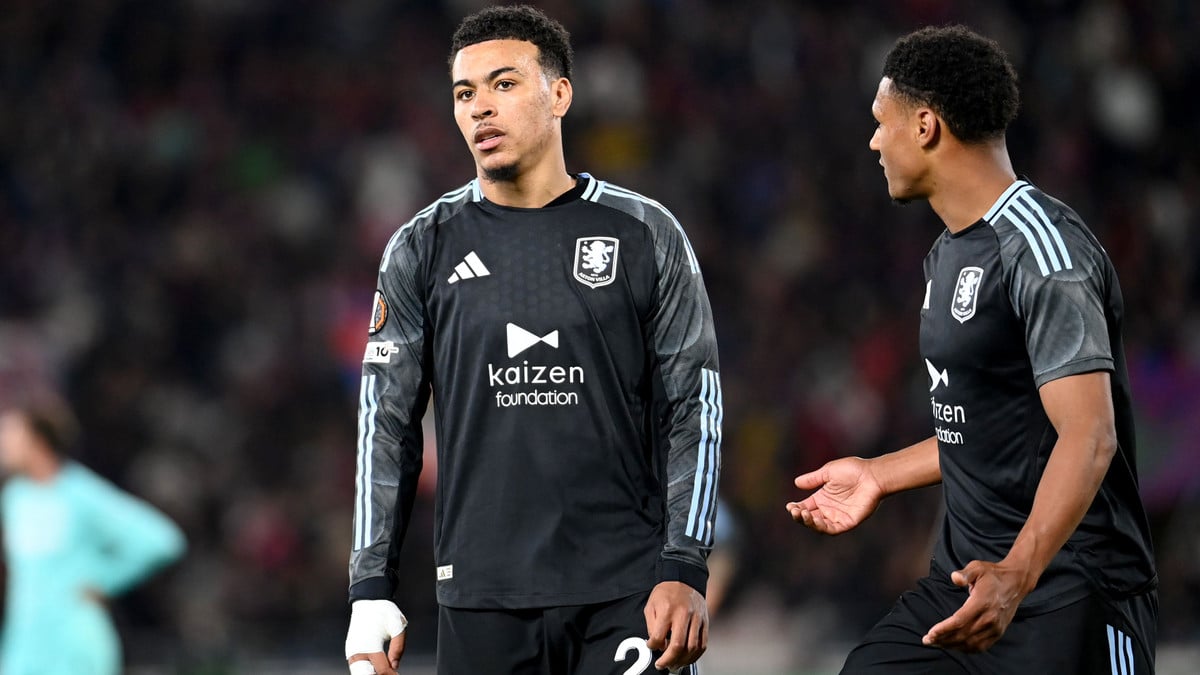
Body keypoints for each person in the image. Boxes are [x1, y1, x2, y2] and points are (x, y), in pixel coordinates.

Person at [343, 5, 721, 675]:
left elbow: (695, 407)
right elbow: (387, 422)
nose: (481, 107)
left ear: (560, 94)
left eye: (504, 83)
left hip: (628, 592)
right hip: (481, 598)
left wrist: (685, 564)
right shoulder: (422, 246)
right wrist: (370, 584)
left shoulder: (645, 233)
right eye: (465, 93)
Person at [786, 25, 1157, 674]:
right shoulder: (948, 253)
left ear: (925, 126)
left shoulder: (1044, 252)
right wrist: (878, 474)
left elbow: (1089, 435)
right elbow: (992, 428)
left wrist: (1017, 573)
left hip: (1069, 595)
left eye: (881, 122)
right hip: (963, 587)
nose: (873, 141)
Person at [0, 397, 186, 675]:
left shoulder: (80, 493)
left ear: (38, 440)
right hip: (25, 641)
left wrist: (105, 579)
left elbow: (162, 540)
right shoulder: (15, 498)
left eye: (10, 436)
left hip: (73, 640)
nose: (3, 445)